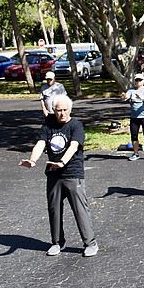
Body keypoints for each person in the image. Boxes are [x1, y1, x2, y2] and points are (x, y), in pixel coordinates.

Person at [19, 95, 98, 257]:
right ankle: (57, 242)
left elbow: (74, 146)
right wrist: (33, 160)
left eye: (65, 110)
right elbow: (41, 143)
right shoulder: (48, 124)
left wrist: (62, 162)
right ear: (53, 111)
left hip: (72, 173)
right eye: (58, 110)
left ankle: (90, 243)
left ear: (70, 109)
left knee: (80, 209)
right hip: (53, 175)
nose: (62, 113)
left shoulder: (76, 125)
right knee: (54, 210)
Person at [121, 73, 144, 161]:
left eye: (140, 80)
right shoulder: (131, 90)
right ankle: (136, 154)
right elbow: (126, 97)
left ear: (143, 81)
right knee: (134, 135)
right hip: (134, 117)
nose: (138, 82)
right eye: (136, 80)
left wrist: (141, 97)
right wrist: (124, 96)